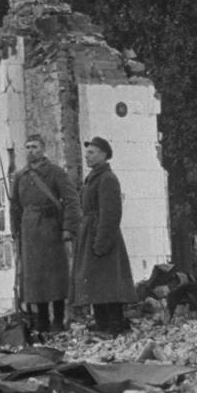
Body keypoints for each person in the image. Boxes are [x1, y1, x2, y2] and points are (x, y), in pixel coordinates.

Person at [8, 134, 80, 339]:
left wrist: (68, 228)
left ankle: (58, 320)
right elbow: (15, 207)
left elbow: (72, 200)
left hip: (51, 229)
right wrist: (16, 232)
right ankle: (41, 321)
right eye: (28, 147)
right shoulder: (20, 176)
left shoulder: (56, 173)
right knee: (34, 278)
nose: (31, 151)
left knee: (55, 277)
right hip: (29, 232)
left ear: (43, 148)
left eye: (35, 147)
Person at [72, 136, 136, 336]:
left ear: (104, 155)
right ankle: (102, 322)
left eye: (92, 152)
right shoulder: (93, 177)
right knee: (94, 280)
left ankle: (115, 323)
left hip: (102, 234)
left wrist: (102, 242)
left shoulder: (107, 178)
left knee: (108, 282)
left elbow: (111, 214)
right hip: (90, 232)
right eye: (87, 152)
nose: (87, 156)